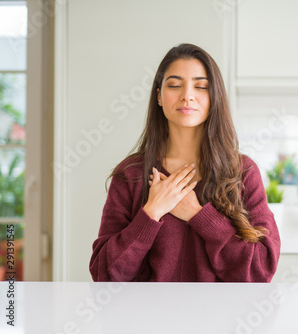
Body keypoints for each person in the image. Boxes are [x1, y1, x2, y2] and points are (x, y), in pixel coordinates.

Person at [89, 43, 280, 282]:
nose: (187, 95)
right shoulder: (131, 174)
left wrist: (197, 215)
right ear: (158, 96)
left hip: (222, 319)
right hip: (145, 319)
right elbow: (104, 275)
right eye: (174, 85)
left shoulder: (242, 172)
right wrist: (152, 211)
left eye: (201, 86)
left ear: (214, 98)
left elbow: (259, 271)